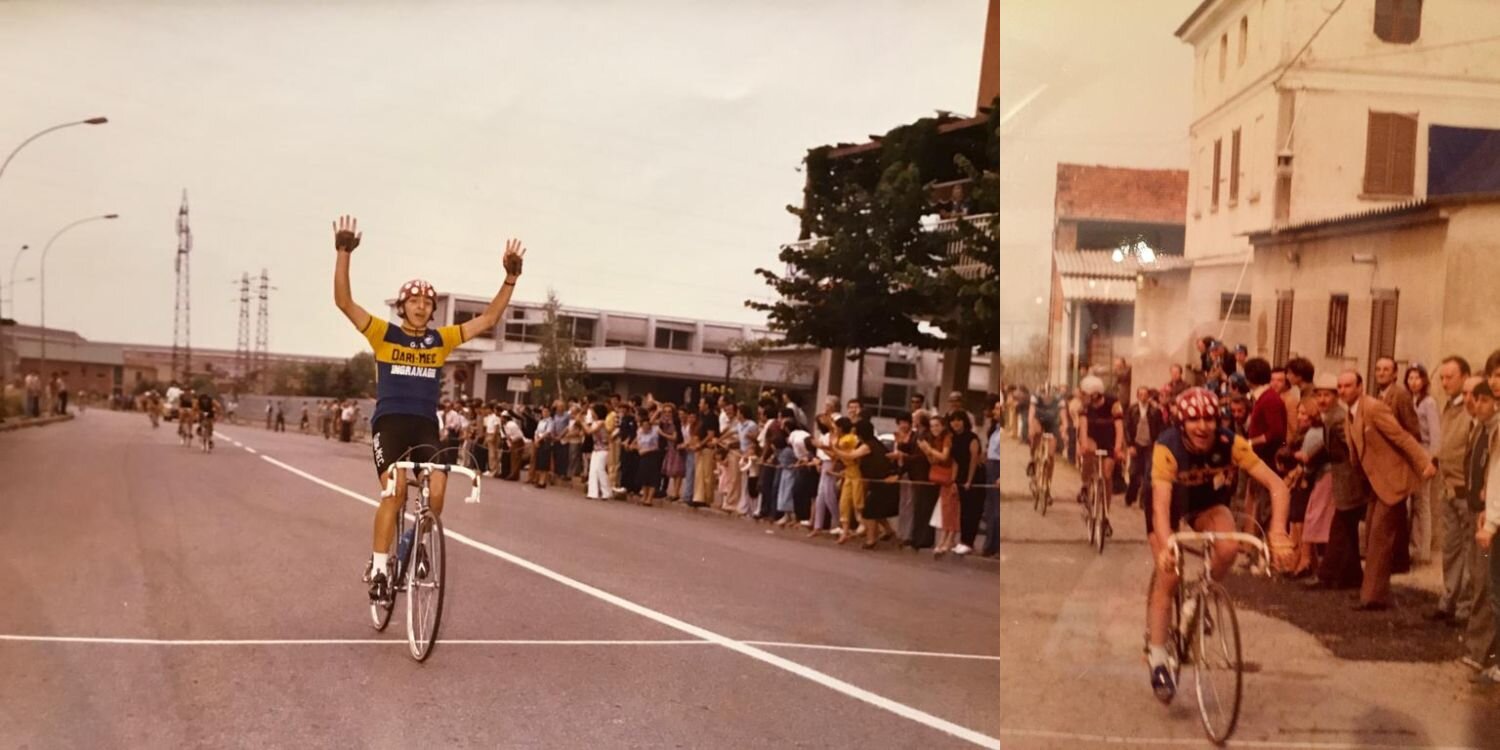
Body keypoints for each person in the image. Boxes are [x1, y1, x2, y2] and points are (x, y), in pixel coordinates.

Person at [330, 214, 526, 602]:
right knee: (394, 491)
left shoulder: (441, 339)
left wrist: (510, 279)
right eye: (414, 301)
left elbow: (488, 319)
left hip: (423, 426)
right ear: (402, 306)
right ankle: (381, 567)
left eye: (427, 302)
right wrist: (343, 253)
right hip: (390, 424)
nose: (421, 306)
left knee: (437, 491)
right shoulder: (384, 333)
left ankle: (416, 543)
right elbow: (344, 302)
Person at [1145, 387, 1294, 704]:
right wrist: (1167, 545)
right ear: (1181, 423)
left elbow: (1277, 485)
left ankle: (1199, 597)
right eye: (1194, 419)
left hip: (1207, 502)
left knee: (1228, 549)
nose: (1202, 427)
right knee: (1169, 575)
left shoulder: (1231, 443)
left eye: (1209, 419)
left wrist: (1278, 531)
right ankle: (1158, 658)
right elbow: (1160, 508)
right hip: (1168, 502)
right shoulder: (1166, 447)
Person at [1339, 369, 1436, 611]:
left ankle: (1373, 597)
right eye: (1340, 387)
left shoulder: (1373, 407)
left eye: (1348, 385)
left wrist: (1425, 462)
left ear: (1360, 386)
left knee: (1380, 537)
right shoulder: (1349, 414)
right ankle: (1371, 592)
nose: (1343, 391)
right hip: (1374, 483)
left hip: (1392, 481)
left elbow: (1401, 436)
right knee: (1372, 533)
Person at [1076, 375, 1124, 525]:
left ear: (1095, 395)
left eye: (1084, 393)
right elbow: (1083, 427)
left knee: (1107, 475)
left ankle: (1105, 515)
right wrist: (1082, 445)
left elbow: (1119, 427)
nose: (1082, 396)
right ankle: (1085, 485)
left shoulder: (1113, 403)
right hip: (1092, 436)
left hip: (1109, 438)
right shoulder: (1084, 406)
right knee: (1088, 451)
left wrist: (1118, 447)